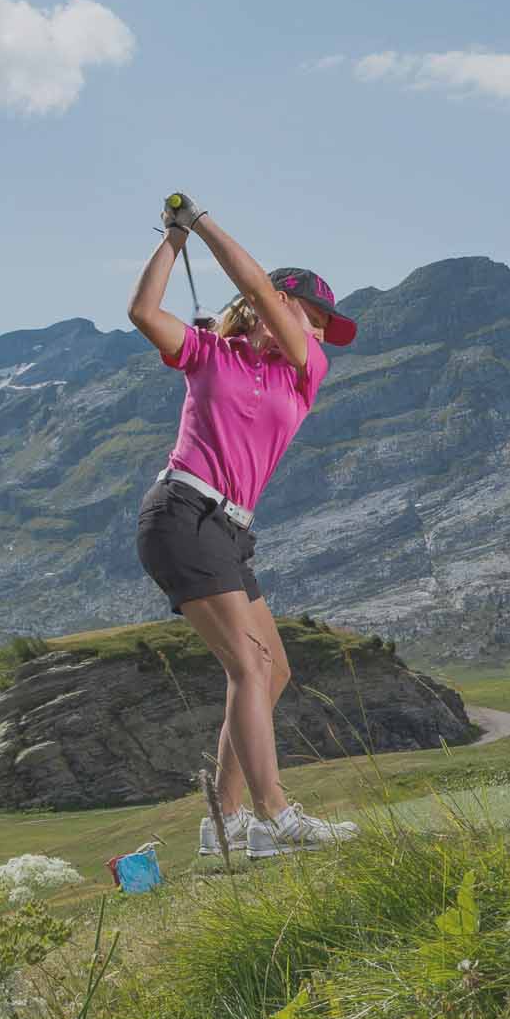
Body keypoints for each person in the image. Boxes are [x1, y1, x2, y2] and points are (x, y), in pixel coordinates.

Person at [127, 192, 359, 859]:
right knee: (250, 667)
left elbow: (254, 284)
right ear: (273, 306)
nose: (316, 333)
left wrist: (198, 222)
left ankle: (224, 824)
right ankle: (273, 816)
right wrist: (176, 237)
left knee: (272, 669)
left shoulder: (304, 374)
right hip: (180, 512)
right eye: (312, 316)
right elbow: (143, 313)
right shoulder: (209, 354)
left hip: (229, 530)